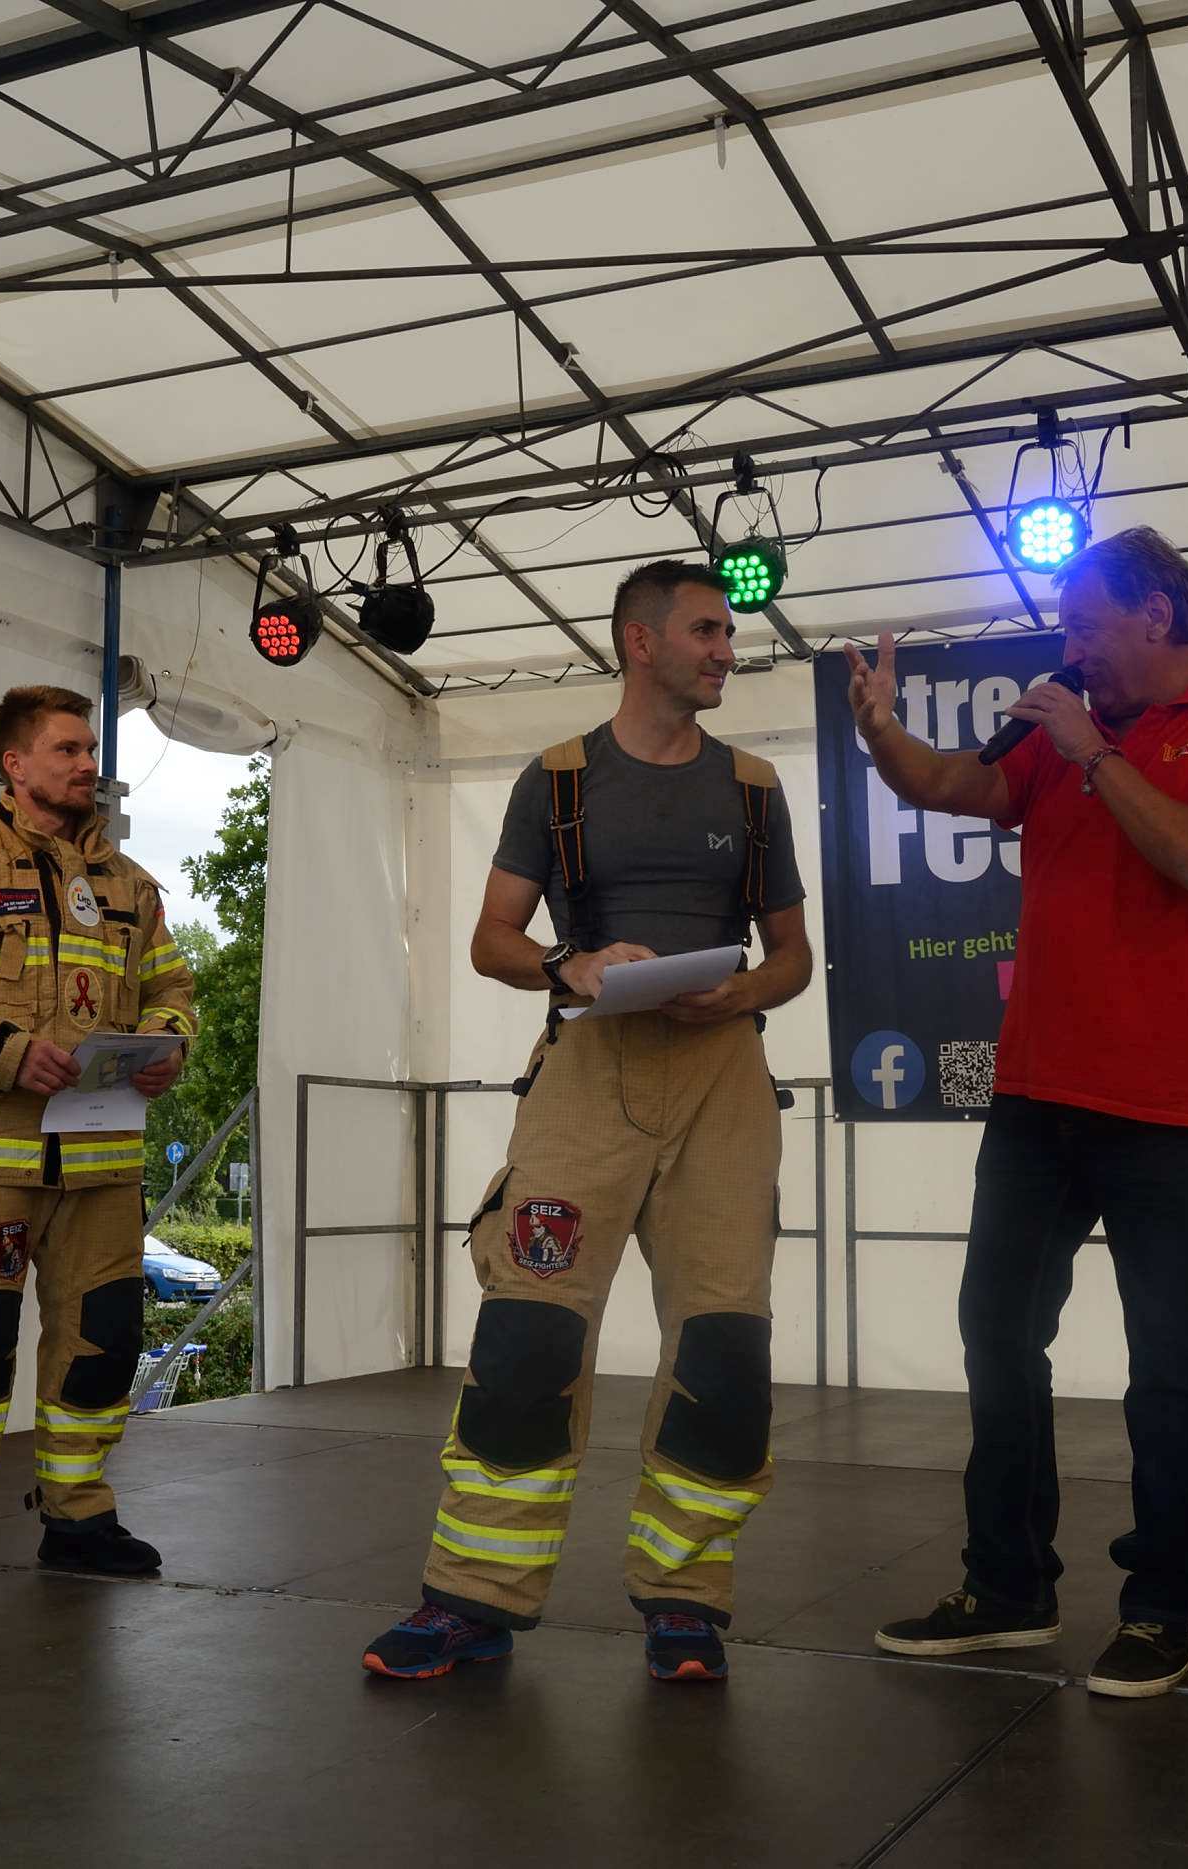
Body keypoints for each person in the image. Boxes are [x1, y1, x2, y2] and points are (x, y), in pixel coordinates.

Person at [854, 526, 1188, 1698]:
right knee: (997, 1331)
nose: (1069, 646)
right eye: (1064, 628)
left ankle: (1160, 1611)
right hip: (1033, 1093)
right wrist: (882, 732)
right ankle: (1007, 1588)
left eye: (1084, 624)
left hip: (1165, 1102)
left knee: (1168, 1359)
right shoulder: (1067, 735)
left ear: (1156, 613)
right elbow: (953, 786)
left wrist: (1094, 752)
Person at [360, 559, 811, 1686]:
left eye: (727, 632)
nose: (726, 649)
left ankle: (686, 1603)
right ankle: (470, 1600)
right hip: (587, 1069)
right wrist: (572, 961)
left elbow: (794, 957)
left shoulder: (753, 788)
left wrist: (740, 989)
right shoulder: (556, 779)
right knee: (529, 1336)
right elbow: (491, 939)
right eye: (706, 631)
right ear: (639, 642)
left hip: (722, 1078)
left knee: (725, 1352)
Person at [0, 685, 195, 1589]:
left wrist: (167, 1044)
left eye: (90, 748)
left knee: (102, 1346)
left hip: (103, 1168)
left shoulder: (131, 886)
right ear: (15, 765)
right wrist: (8, 1052)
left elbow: (173, 989)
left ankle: (78, 1516)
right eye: (67, 749)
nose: (88, 763)